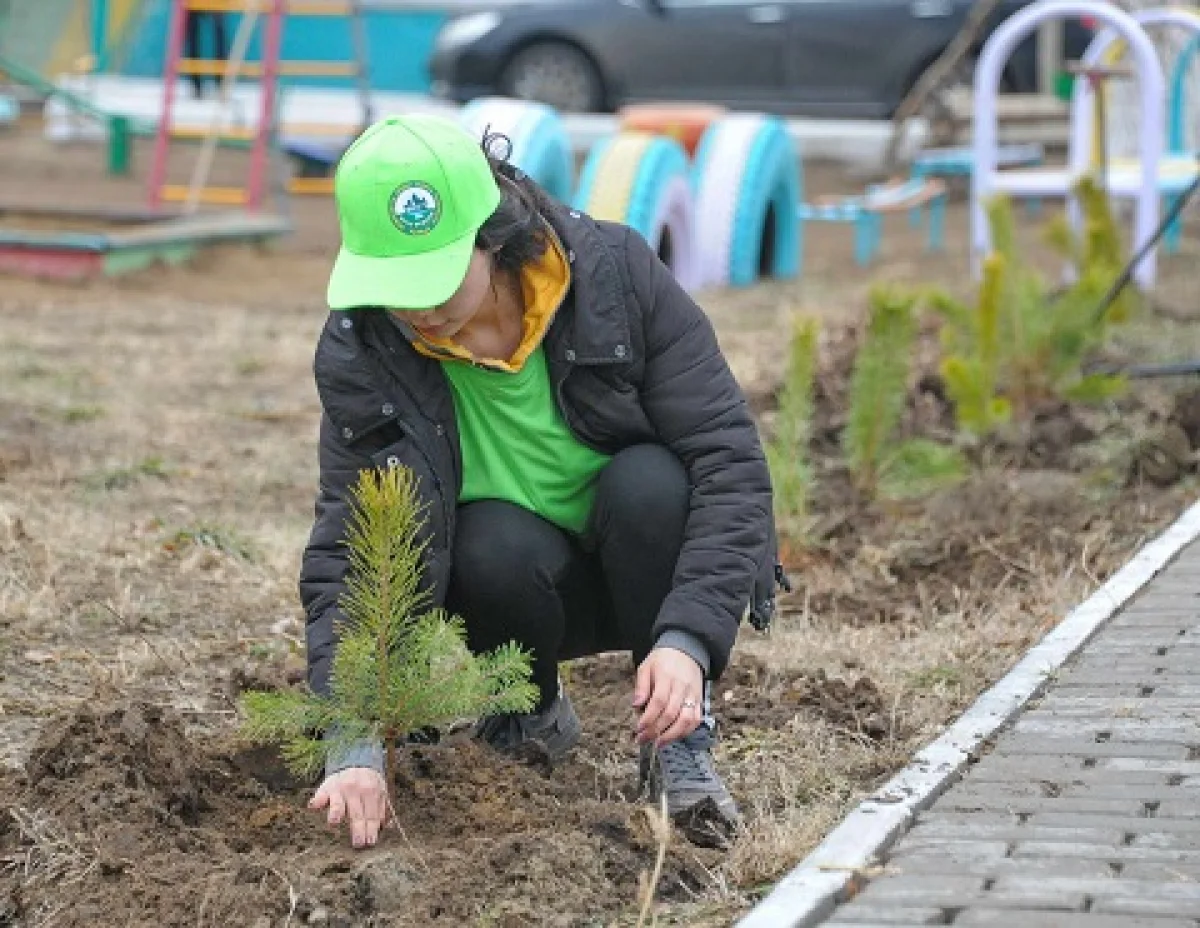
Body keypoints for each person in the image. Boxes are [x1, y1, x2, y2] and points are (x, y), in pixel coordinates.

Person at [299, 113, 780, 851]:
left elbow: (729, 462)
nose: (417, 308)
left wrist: (688, 638)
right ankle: (530, 709)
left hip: (651, 568)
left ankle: (678, 740)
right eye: (396, 284)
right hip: (517, 591)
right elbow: (354, 543)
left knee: (651, 481)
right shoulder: (364, 347)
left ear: (492, 235)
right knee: (484, 535)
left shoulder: (612, 276)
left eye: (434, 275)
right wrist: (356, 737)